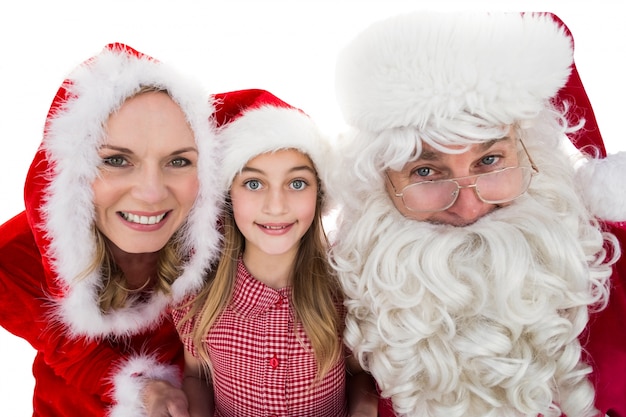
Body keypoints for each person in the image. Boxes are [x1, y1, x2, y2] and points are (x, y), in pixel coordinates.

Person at [328, 11, 626, 417]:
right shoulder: (340, 301)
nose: (469, 208)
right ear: (380, 185)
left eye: (489, 161)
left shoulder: (618, 263)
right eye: (426, 171)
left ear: (529, 157)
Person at [0, 43, 223, 416]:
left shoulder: (224, 234)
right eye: (117, 160)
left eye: (179, 160)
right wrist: (145, 391)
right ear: (71, 173)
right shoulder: (16, 260)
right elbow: (72, 352)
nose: (151, 193)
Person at [171, 88, 378, 416]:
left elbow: (359, 372)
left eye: (297, 183)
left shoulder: (344, 290)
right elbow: (197, 374)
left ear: (319, 194)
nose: (276, 206)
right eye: (254, 183)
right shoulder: (199, 298)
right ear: (229, 196)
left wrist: (364, 408)